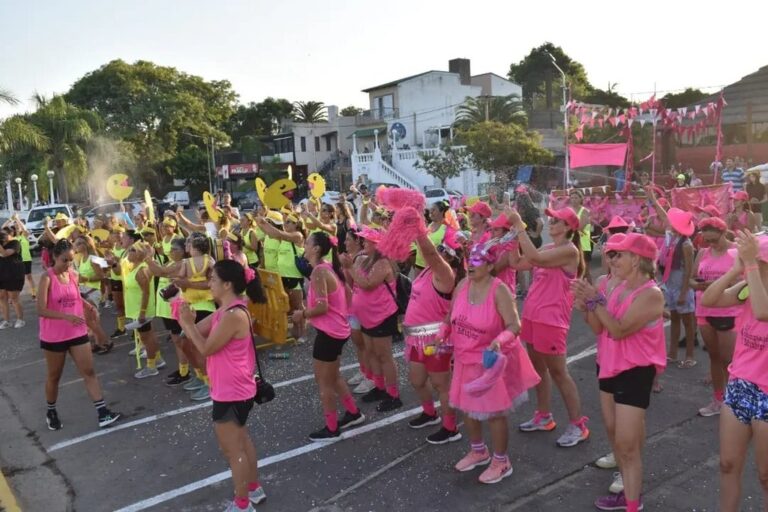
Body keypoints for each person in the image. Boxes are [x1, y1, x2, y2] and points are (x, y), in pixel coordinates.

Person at [573, 233, 666, 512]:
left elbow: (619, 329)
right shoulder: (612, 286)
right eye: (610, 254)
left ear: (636, 260)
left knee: (627, 445)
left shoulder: (651, 294)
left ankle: (632, 504)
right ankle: (626, 489)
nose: (611, 259)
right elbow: (599, 329)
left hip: (635, 371)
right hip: (608, 364)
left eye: (618, 255)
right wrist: (585, 306)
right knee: (615, 434)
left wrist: (594, 301)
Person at [441, 242, 539, 484]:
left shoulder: (499, 290)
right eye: (468, 260)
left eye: (476, 261)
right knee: (467, 407)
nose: (470, 265)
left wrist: (499, 340)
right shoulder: (462, 284)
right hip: (464, 359)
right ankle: (478, 451)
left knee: (494, 414)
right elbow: (449, 316)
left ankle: (501, 461)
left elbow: (514, 325)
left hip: (489, 364)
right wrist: (443, 333)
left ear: (490, 264)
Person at [178, 260, 267, 512]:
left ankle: (242, 505)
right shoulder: (225, 311)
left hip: (232, 390)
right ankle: (253, 488)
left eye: (213, 280)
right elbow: (196, 333)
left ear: (227, 284)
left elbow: (205, 348)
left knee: (232, 450)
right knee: (241, 439)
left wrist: (185, 324)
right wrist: (185, 318)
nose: (209, 284)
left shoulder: (233, 315)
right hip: (235, 387)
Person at [506, 206, 590, 447]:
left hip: (551, 321)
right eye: (551, 219)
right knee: (539, 371)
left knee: (559, 373)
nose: (551, 222)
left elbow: (536, 259)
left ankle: (578, 424)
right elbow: (517, 263)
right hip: (533, 317)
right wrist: (513, 234)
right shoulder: (549, 247)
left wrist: (520, 226)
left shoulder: (569, 251)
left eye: (557, 220)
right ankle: (544, 416)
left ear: (568, 227)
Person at [700, 231, 768, 512]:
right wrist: (736, 270)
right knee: (727, 465)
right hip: (740, 385)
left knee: (766, 477)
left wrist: (750, 265)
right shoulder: (748, 289)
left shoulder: (757, 294)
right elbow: (710, 300)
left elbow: (764, 312)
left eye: (758, 260)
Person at [37, 240, 121, 431]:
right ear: (54, 258)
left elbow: (76, 295)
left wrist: (89, 306)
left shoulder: (73, 274)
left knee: (89, 371)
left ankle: (102, 413)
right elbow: (41, 309)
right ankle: (51, 410)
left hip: (77, 331)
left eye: (70, 260)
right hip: (54, 336)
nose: (67, 264)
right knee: (54, 376)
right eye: (64, 260)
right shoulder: (47, 278)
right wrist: (65, 316)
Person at [297, 231, 365, 441]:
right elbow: (347, 296)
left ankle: (332, 427)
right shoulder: (328, 267)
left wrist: (303, 314)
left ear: (316, 248)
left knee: (324, 382)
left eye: (307, 242)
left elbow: (322, 306)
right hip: (336, 331)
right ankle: (353, 412)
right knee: (333, 377)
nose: (304, 246)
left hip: (330, 334)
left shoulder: (319, 271)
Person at [404, 231, 465, 444]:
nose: (439, 252)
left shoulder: (446, 274)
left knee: (441, 385)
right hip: (415, 338)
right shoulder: (427, 271)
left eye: (444, 251)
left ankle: (450, 427)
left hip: (435, 341)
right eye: (439, 249)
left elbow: (428, 252)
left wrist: (418, 229)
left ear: (452, 258)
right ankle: (430, 414)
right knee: (417, 380)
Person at [341, 226, 402, 412]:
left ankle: (393, 394)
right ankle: (379, 387)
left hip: (382, 315)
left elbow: (367, 284)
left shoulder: (383, 263)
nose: (364, 242)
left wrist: (350, 267)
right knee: (371, 352)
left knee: (384, 355)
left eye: (368, 240)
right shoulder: (367, 260)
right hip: (367, 316)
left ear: (378, 244)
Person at [690, 217, 739, 417]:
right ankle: (718, 399)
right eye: (707, 240)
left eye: (714, 240)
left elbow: (743, 282)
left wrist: (718, 285)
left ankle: (734, 401)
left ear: (723, 233)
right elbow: (692, 278)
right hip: (705, 310)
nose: (710, 244)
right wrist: (699, 285)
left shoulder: (736, 252)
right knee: (714, 357)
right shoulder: (702, 253)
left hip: (729, 311)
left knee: (729, 360)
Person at [146, 238, 191, 386]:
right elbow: (156, 270)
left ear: (183, 251)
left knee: (181, 341)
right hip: (167, 309)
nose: (170, 252)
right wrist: (150, 260)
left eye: (174, 249)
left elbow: (159, 272)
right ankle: (183, 369)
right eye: (170, 249)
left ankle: (186, 372)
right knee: (176, 340)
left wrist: (148, 258)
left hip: (176, 308)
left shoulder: (181, 264)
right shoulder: (171, 262)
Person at [256, 211, 306, 342]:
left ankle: (301, 333)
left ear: (297, 225)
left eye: (289, 222)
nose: (286, 223)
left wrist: (265, 222)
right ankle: (294, 332)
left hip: (294, 277)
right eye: (285, 221)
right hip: (282, 277)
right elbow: (271, 233)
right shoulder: (284, 236)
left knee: (297, 306)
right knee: (287, 305)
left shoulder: (297, 235)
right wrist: (260, 223)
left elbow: (277, 233)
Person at [659, 208, 697, 368]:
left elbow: (689, 269)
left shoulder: (686, 244)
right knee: (674, 319)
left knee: (688, 322)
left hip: (682, 286)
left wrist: (683, 292)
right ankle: (672, 353)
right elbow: (662, 216)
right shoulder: (671, 238)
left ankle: (690, 356)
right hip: (670, 285)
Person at [124, 242, 165, 378]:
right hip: (137, 309)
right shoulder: (134, 267)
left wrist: (142, 312)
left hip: (141, 311)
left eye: (132, 250)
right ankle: (158, 360)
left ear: (139, 254)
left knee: (147, 338)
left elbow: (146, 293)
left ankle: (151, 366)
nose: (128, 252)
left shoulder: (141, 270)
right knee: (149, 336)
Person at [342, 229, 375, 394]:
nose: (345, 243)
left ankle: (371, 377)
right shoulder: (351, 258)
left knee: (365, 344)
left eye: (348, 239)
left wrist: (345, 269)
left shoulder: (361, 258)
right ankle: (364, 371)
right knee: (358, 343)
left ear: (357, 241)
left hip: (361, 306)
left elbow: (353, 282)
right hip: (352, 306)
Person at [72, 236, 112, 354]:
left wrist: (86, 278)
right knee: (91, 321)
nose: (76, 246)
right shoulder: (82, 259)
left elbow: (102, 276)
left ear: (86, 245)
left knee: (92, 321)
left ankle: (106, 342)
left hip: (92, 292)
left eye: (79, 243)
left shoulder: (92, 258)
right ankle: (98, 342)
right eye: (76, 243)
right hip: (84, 292)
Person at [0, 227, 26, 329]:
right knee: (2, 297)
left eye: (4, 234)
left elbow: (5, 254)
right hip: (2, 274)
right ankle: (6, 320)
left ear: (10, 234)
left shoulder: (15, 243)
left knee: (13, 297)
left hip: (13, 274)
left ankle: (20, 319)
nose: (3, 236)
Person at [413, 201, 448, 271]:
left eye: (434, 210)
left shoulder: (446, 228)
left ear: (442, 212)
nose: (431, 212)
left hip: (434, 266)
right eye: (430, 210)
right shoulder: (427, 225)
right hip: (419, 264)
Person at [569, 190, 593, 282]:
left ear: (580, 199)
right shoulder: (569, 210)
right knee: (574, 269)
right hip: (572, 242)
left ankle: (593, 292)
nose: (573, 200)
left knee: (585, 270)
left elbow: (580, 227)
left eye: (576, 198)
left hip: (583, 243)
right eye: (571, 198)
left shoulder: (584, 211)